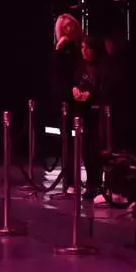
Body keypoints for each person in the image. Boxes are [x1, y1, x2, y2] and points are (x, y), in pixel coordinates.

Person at [52, 13, 83, 194]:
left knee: (80, 140)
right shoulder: (61, 49)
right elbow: (56, 73)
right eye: (65, 27)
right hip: (65, 98)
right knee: (68, 141)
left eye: (71, 25)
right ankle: (69, 180)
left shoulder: (78, 47)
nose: (68, 29)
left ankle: (81, 180)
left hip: (79, 96)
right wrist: (58, 49)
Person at [73, 36, 103, 201]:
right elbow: (75, 82)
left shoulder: (100, 67)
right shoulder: (80, 67)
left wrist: (90, 94)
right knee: (85, 150)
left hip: (98, 114)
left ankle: (97, 184)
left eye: (87, 47)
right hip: (83, 113)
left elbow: (102, 89)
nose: (84, 51)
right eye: (82, 47)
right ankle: (91, 183)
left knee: (95, 151)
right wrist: (75, 90)